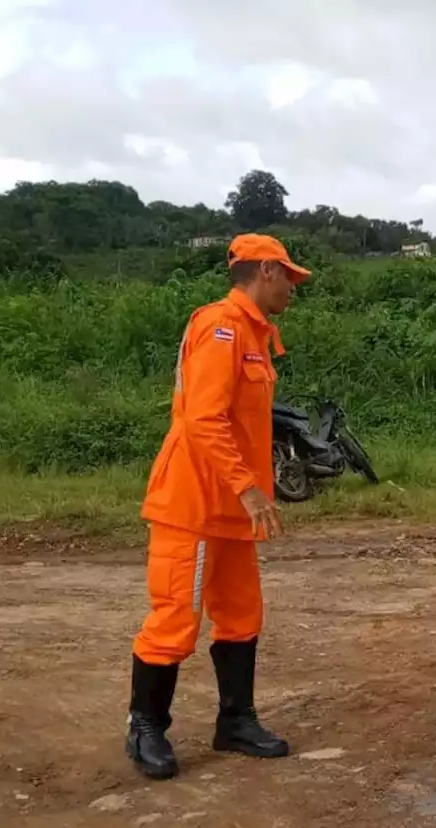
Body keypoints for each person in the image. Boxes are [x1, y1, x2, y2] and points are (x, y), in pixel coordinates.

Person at [126, 234, 310, 780]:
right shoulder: (221, 327)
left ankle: (236, 721)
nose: (294, 290)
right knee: (175, 618)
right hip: (196, 503)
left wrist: (251, 493)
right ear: (266, 271)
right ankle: (146, 727)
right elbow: (203, 420)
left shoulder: (254, 332)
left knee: (241, 615)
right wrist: (248, 488)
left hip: (232, 507)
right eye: (290, 279)